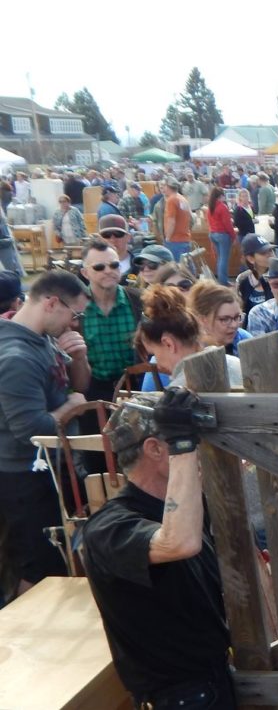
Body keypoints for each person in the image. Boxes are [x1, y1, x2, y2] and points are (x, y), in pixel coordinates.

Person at [83, 388, 238, 709]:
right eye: (193, 442)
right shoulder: (107, 527)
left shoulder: (185, 509)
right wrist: (183, 443)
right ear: (154, 449)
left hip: (214, 682)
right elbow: (179, 542)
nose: (199, 451)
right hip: (181, 700)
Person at [0, 271, 90, 596]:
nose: (75, 323)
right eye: (74, 314)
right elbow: (32, 430)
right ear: (52, 303)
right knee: (38, 568)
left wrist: (79, 358)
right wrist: (72, 408)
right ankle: (24, 640)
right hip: (26, 480)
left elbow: (77, 387)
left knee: (52, 561)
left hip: (52, 470)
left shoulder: (43, 338)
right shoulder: (16, 358)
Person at [135, 285, 241, 389]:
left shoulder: (178, 393)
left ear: (168, 343)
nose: (156, 363)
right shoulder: (236, 365)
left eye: (154, 353)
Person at [79, 239, 142, 412]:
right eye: (99, 267)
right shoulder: (75, 308)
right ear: (85, 273)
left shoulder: (138, 300)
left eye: (114, 265)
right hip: (94, 392)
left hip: (135, 388)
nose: (108, 271)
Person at [189, 280, 250, 356]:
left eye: (237, 317)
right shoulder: (191, 351)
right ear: (202, 320)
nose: (234, 325)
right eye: (225, 319)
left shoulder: (243, 339)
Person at [235, 234, 275, 319]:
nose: (270, 254)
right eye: (263, 252)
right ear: (250, 259)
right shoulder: (243, 280)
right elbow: (240, 310)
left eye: (271, 250)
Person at [204, 187, 236, 287]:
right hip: (222, 234)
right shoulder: (222, 207)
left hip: (213, 233)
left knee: (220, 258)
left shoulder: (210, 207)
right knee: (224, 259)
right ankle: (223, 281)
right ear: (220, 196)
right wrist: (233, 236)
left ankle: (221, 280)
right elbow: (227, 224)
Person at [97, 214, 136, 282]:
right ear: (100, 239)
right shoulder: (91, 268)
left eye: (118, 234)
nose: (112, 239)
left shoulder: (140, 267)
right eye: (106, 235)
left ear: (128, 237)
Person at [162, 180, 192, 261]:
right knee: (187, 269)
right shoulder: (183, 199)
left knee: (177, 269)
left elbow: (171, 221)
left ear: (168, 187)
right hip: (185, 239)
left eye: (164, 186)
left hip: (175, 240)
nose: (162, 189)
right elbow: (191, 217)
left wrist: (168, 238)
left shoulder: (171, 200)